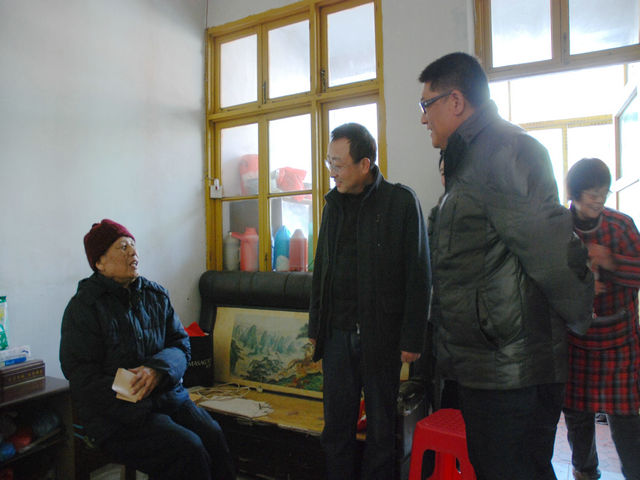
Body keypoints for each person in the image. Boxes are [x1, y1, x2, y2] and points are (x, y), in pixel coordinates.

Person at [418, 52, 594, 479]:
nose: (423, 118)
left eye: (427, 105)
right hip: (491, 366)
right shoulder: (471, 158)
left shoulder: (505, 151)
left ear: (455, 101)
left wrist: (581, 314)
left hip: (513, 372)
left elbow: (554, 253)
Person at [60, 219, 235, 480]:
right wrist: (133, 388)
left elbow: (181, 345)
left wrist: (157, 371)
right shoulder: (84, 307)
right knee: (188, 449)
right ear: (100, 263)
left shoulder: (155, 296)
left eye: (133, 245)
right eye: (122, 247)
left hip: (167, 398)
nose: (133, 252)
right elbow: (80, 375)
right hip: (117, 416)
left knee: (213, 435)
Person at [308, 123, 430, 479]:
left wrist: (412, 338)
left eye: (338, 164)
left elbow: (419, 274)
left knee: (380, 431)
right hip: (337, 336)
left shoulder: (400, 202)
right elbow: (322, 270)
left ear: (365, 164)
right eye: (329, 162)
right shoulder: (333, 205)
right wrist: (316, 327)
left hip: (381, 337)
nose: (332, 172)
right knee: (336, 430)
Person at [563, 158, 640, 480]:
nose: (598, 200)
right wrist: (579, 289)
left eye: (603, 193)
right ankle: (584, 472)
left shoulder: (621, 225)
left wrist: (611, 260)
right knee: (577, 416)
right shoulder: (559, 228)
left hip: (619, 341)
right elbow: (545, 280)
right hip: (575, 340)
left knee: (627, 418)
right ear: (575, 193)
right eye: (592, 194)